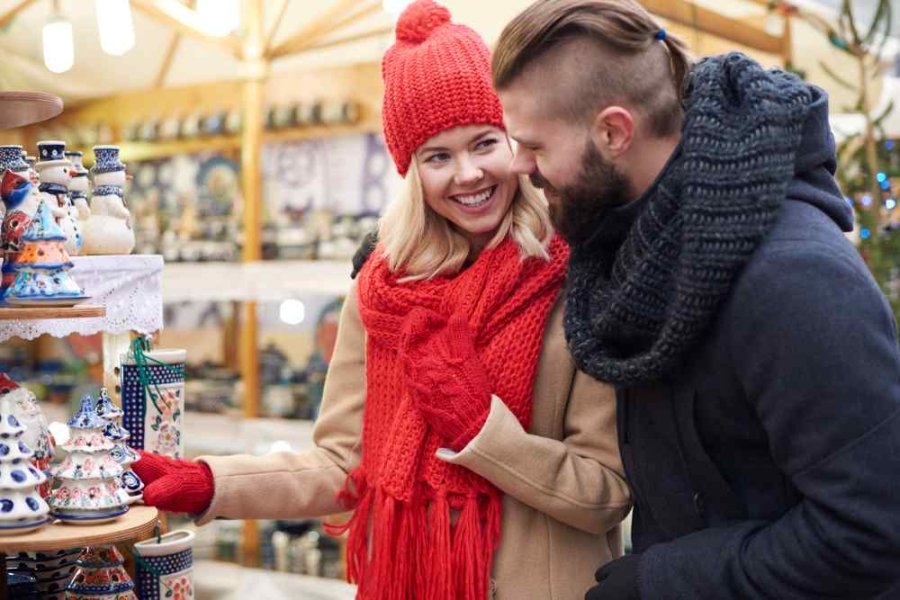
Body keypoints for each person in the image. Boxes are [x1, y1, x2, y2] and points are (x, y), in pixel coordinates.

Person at [134, 2, 631, 599]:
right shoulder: (383, 290)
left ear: (517, 142)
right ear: (411, 172)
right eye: (438, 156)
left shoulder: (580, 275)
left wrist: (482, 430)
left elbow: (605, 494)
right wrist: (210, 483)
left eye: (484, 143)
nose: (468, 173)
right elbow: (343, 466)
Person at [490, 1, 900, 598]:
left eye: (534, 146)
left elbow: (873, 527)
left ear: (612, 132)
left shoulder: (793, 282)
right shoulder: (635, 243)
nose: (517, 165)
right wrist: (412, 253)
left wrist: (665, 580)